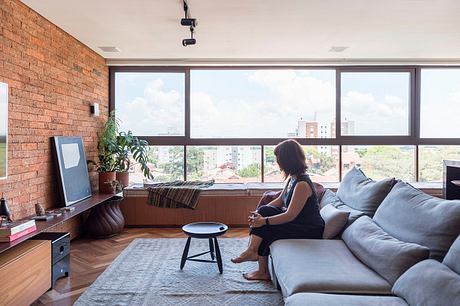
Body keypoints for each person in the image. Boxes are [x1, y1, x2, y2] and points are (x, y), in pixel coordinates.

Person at [231, 139, 325, 281]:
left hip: (309, 229)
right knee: (264, 211)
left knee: (267, 227)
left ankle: (255, 257)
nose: (277, 162)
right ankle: (256, 259)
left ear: (288, 160)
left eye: (278, 158)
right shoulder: (293, 179)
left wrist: (264, 221)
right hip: (298, 222)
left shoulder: (302, 184)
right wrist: (259, 214)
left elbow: (290, 215)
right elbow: (280, 201)